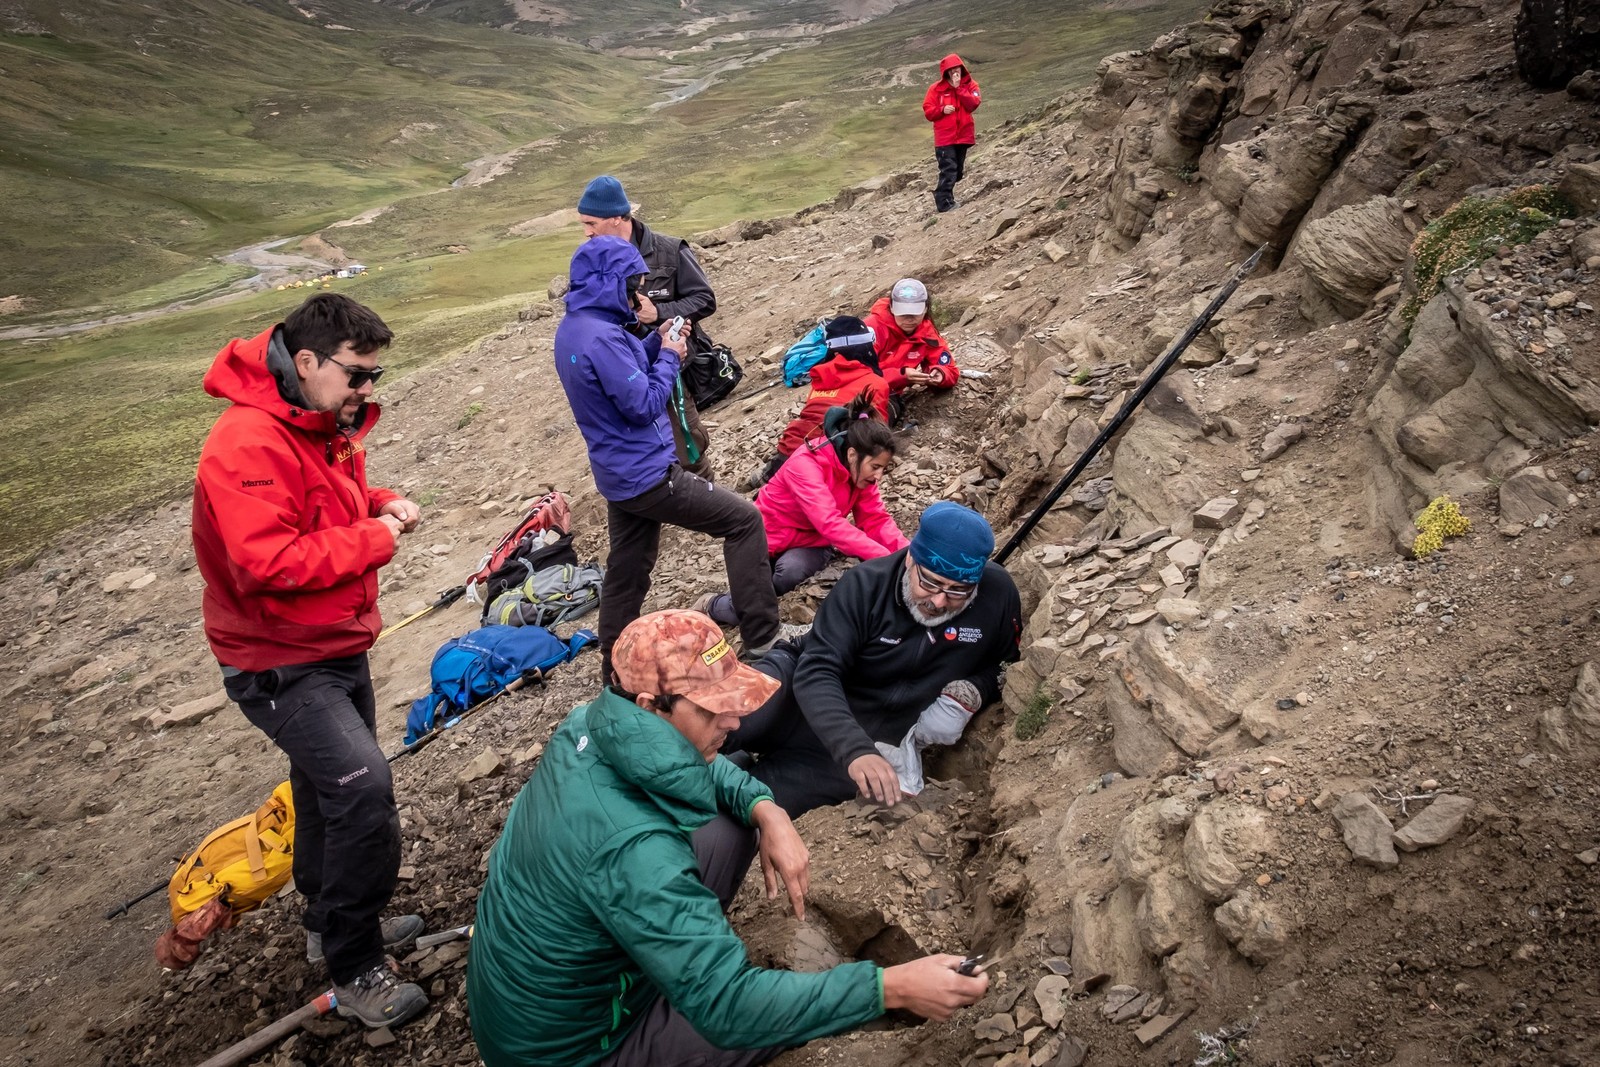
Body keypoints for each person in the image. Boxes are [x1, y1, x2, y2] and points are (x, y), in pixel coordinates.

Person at [466, 609, 990, 1067]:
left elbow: (699, 769)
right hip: (578, 1049)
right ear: (652, 706)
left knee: (730, 820)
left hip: (539, 997)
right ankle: (691, 974)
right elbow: (730, 1010)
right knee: (752, 1020)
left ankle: (685, 949)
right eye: (714, 708)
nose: (737, 719)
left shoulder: (593, 722)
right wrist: (889, 988)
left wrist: (768, 810)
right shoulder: (637, 851)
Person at [190, 293, 429, 1028]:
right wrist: (377, 539)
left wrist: (379, 498)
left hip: (332, 639)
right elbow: (268, 560)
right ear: (305, 361)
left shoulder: (315, 419)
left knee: (329, 787)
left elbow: (323, 502)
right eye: (358, 375)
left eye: (374, 374)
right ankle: (356, 968)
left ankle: (329, 926)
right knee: (362, 788)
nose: (368, 390)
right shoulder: (244, 444)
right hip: (277, 661)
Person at [554, 235, 783, 678]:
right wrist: (672, 357)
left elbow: (620, 373)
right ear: (609, 283)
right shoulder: (602, 337)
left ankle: (614, 670)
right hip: (648, 474)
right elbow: (641, 403)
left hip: (617, 475)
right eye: (631, 285)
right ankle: (764, 637)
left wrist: (655, 342)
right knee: (743, 521)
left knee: (628, 568)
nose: (638, 296)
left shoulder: (578, 329)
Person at [725, 502, 1022, 818]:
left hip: (864, 739)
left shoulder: (998, 597)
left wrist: (972, 691)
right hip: (796, 693)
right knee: (718, 716)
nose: (938, 601)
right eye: (930, 583)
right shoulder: (866, 585)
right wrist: (855, 750)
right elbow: (818, 670)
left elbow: (1005, 664)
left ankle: (732, 773)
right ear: (911, 559)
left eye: (957, 591)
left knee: (746, 807)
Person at [698, 392, 908, 627]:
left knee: (789, 573)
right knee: (751, 600)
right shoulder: (806, 464)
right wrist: (888, 560)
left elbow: (875, 519)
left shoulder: (860, 473)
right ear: (852, 454)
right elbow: (829, 522)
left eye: (883, 468)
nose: (878, 475)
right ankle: (713, 605)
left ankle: (741, 602)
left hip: (810, 542)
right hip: (766, 539)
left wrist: (908, 554)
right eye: (875, 467)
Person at [579, 174, 718, 480]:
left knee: (687, 447)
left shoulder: (670, 250)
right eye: (584, 224)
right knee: (641, 454)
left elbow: (705, 299)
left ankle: (713, 506)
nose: (586, 232)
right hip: (623, 374)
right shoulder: (593, 258)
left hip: (669, 370)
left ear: (616, 218)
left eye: (591, 224)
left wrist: (659, 313)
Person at [746, 315, 889, 490]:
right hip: (826, 460)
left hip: (789, 450)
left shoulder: (818, 379)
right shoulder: (875, 383)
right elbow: (878, 431)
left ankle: (766, 478)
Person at [864, 278, 961, 424]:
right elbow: (857, 374)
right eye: (903, 313)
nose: (909, 319)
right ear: (891, 307)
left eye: (915, 313)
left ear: (926, 309)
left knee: (875, 425)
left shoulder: (927, 333)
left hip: (889, 396)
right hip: (860, 392)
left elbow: (950, 370)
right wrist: (900, 375)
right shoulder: (871, 329)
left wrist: (939, 373)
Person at [922, 53, 981, 213]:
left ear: (962, 68)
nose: (955, 72)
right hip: (945, 138)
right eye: (951, 69)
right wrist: (941, 110)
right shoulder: (935, 89)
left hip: (963, 136)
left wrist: (959, 88)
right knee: (948, 169)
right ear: (946, 72)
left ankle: (947, 198)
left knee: (958, 171)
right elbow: (928, 111)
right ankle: (944, 203)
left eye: (957, 68)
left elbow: (973, 104)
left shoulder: (970, 85)